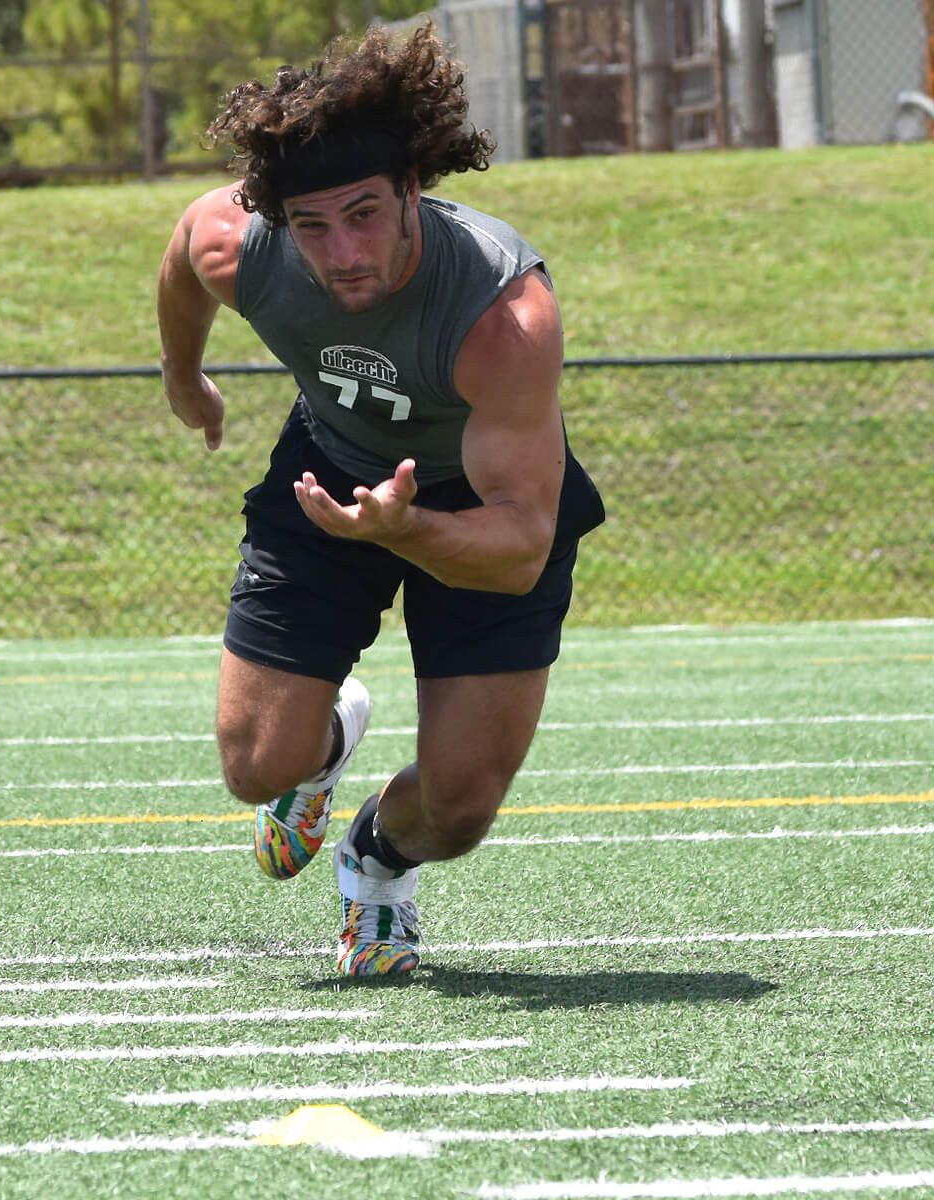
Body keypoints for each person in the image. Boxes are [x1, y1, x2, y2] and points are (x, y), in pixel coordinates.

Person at [156, 21, 604, 978]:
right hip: (329, 466)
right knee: (256, 767)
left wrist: (408, 530)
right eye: (312, 226)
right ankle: (319, 753)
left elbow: (522, 545)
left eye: (363, 213)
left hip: (477, 503)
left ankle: (376, 860)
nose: (342, 250)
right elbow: (188, 247)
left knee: (460, 809)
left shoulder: (502, 316)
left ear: (411, 189)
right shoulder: (248, 247)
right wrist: (183, 374)